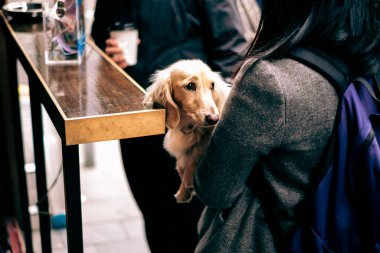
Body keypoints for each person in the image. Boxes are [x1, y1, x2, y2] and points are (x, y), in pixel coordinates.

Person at [193, 0, 380, 252]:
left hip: (270, 240)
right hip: (349, 234)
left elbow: (214, 189)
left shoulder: (271, 80)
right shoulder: (371, 63)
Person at [90, 1, 248, 252]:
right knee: (154, 216)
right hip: (138, 125)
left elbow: (232, 52)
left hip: (192, 131)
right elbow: (99, 39)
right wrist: (110, 53)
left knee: (191, 224)